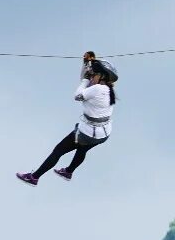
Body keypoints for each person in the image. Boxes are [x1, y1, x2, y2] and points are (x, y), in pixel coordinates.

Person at [16, 52, 118, 185]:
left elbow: (78, 95)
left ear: (101, 76)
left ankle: (34, 177)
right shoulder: (108, 90)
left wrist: (85, 80)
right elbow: (85, 80)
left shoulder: (97, 89)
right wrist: (86, 65)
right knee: (82, 149)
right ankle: (68, 171)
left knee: (59, 150)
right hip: (103, 134)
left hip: (88, 133)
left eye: (94, 75)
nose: (91, 77)